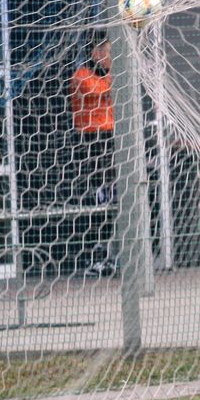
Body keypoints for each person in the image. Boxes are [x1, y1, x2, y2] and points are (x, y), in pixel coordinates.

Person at [70, 36, 117, 276]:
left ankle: (113, 253)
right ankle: (95, 256)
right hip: (93, 141)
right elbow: (101, 90)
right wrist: (119, 74)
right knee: (99, 198)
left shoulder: (106, 75)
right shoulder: (82, 76)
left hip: (111, 139)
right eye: (109, 51)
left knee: (114, 195)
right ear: (96, 53)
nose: (112, 57)